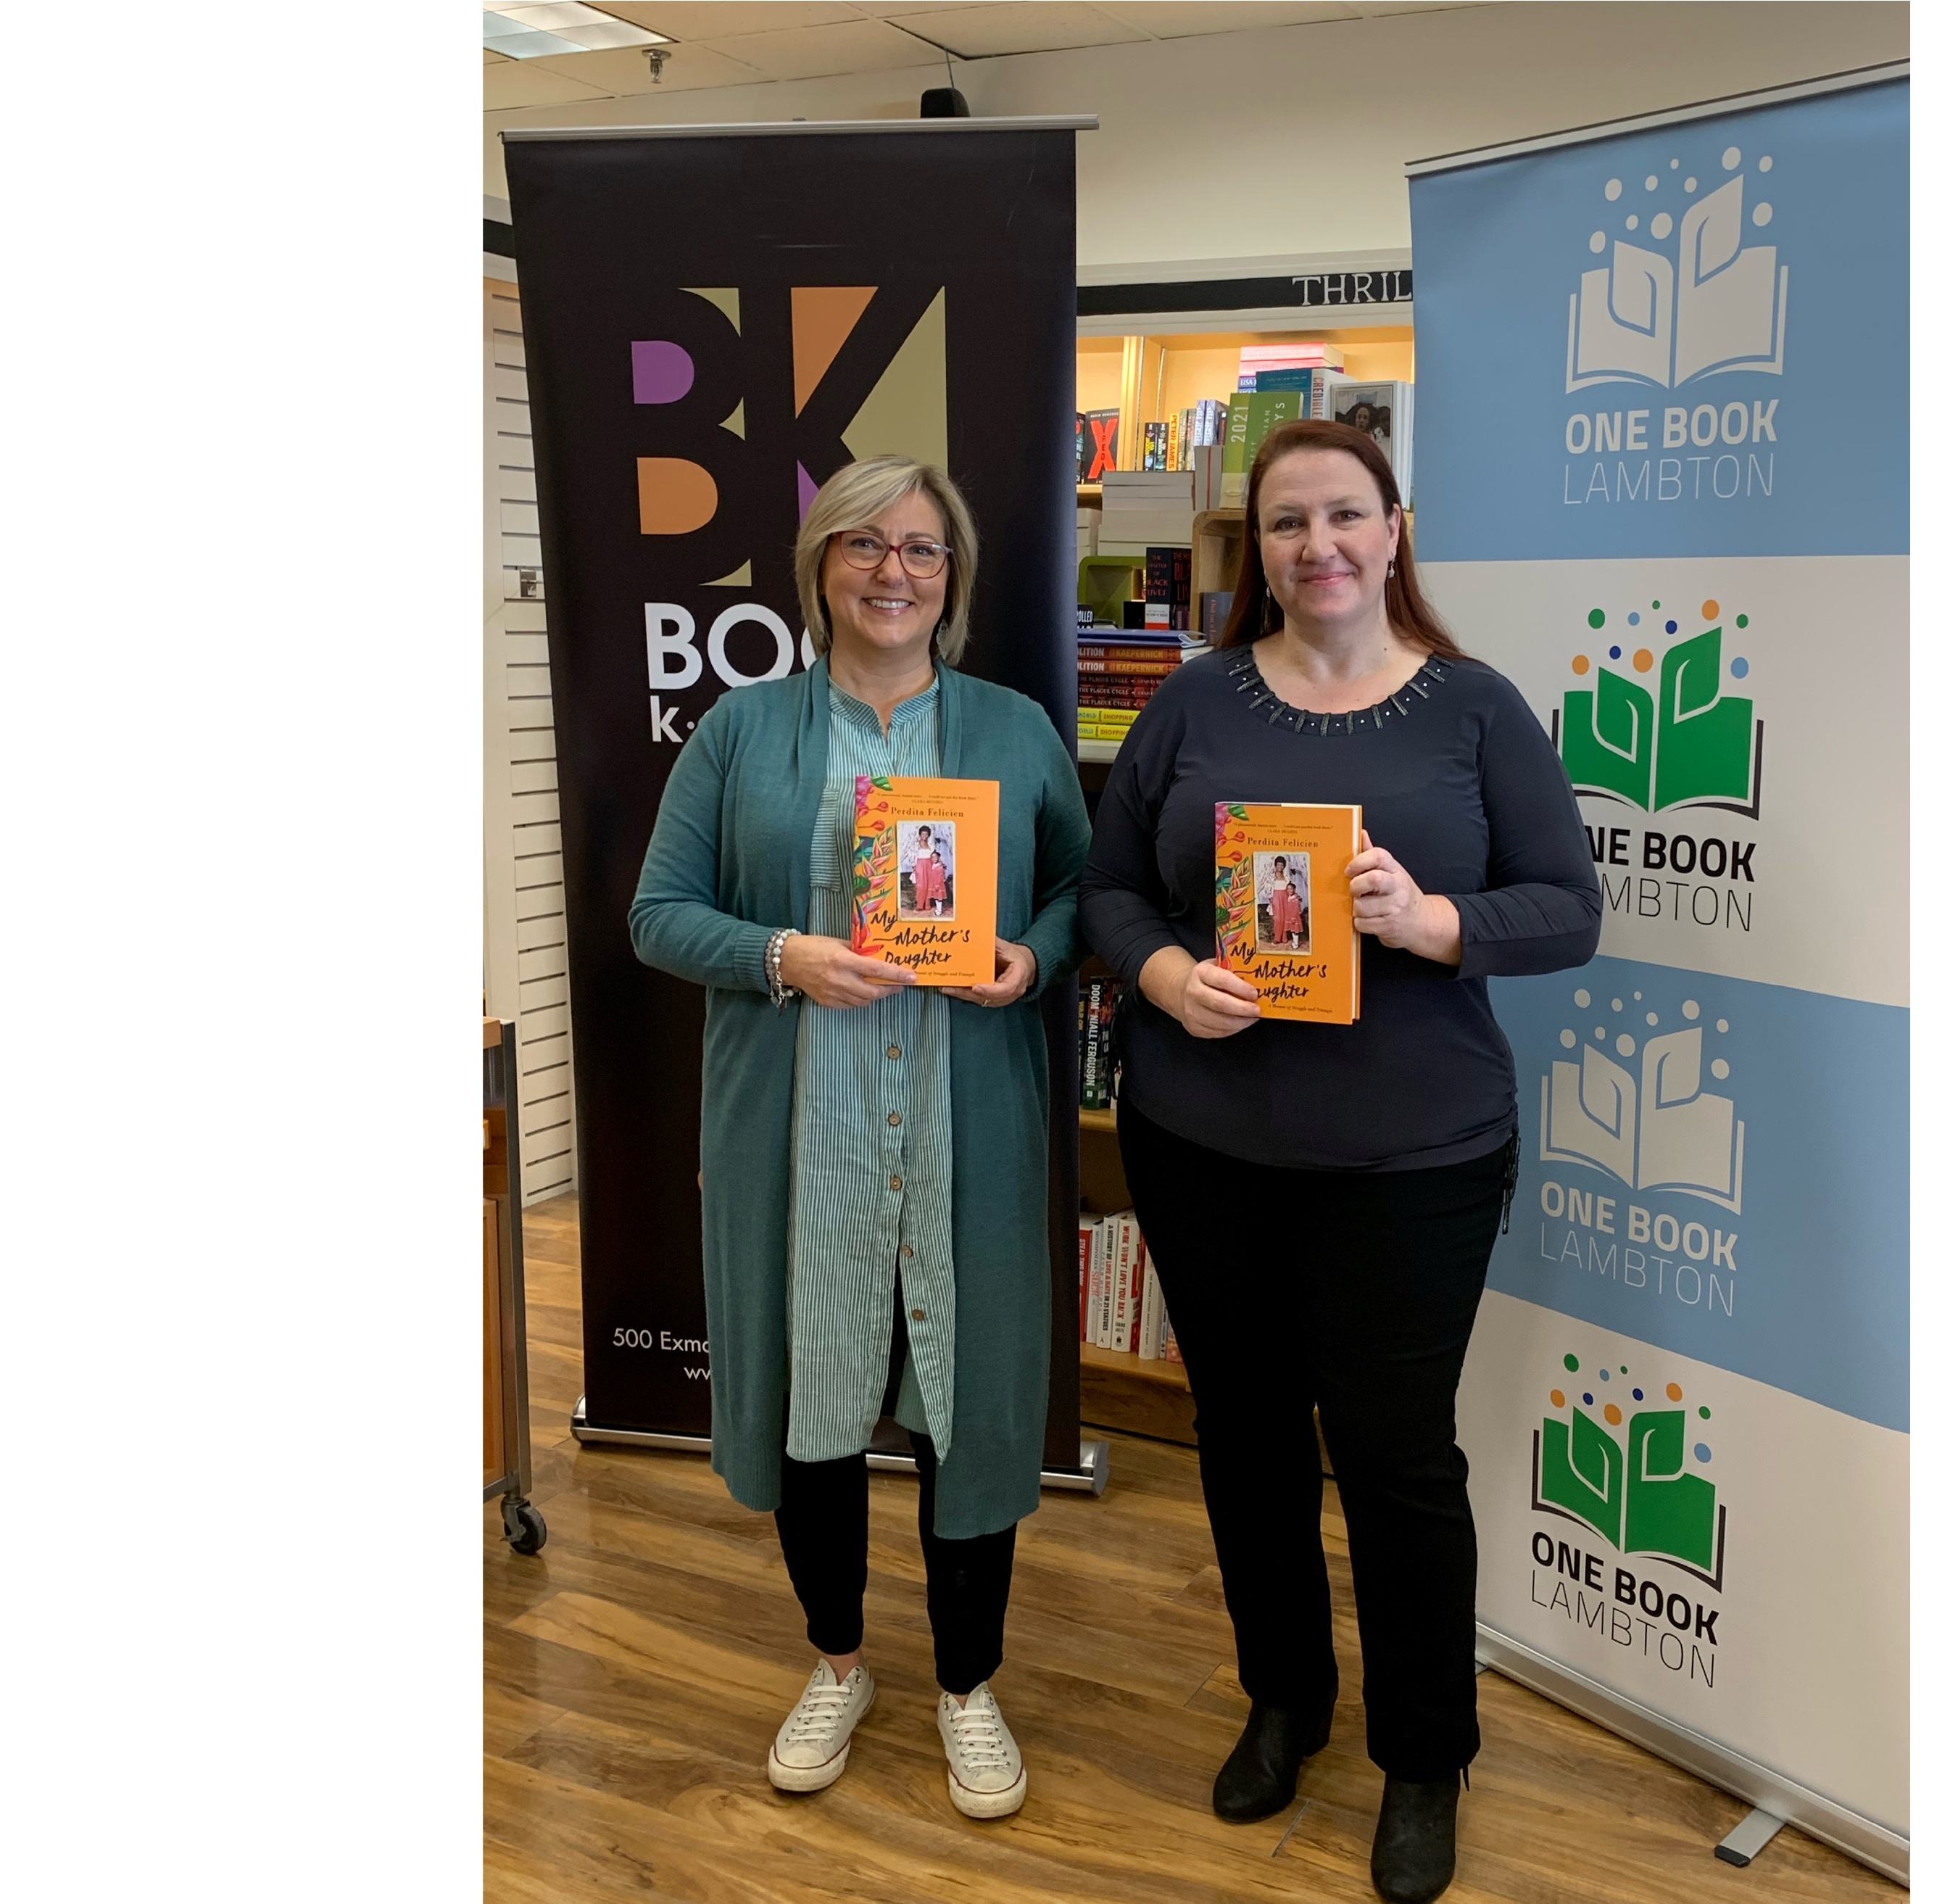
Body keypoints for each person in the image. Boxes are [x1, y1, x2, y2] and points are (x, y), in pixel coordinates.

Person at [1079, 419, 1600, 1904]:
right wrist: (1166, 977)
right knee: (1243, 1440)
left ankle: (1421, 1751)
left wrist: (1432, 919)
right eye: (1289, 522)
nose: (1318, 546)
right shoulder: (1191, 704)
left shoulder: (1475, 707)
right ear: (1257, 546)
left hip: (1413, 1159)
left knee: (1393, 1456)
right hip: (1203, 1147)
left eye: (1345, 516)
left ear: (1393, 529)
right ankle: (1285, 1697)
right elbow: (1113, 888)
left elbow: (1566, 907)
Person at [630, 454, 1090, 1822]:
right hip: (803, 1128)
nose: (895, 572)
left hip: (967, 1124)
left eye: (922, 550)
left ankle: (966, 1685)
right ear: (819, 565)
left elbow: (1074, 885)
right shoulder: (741, 731)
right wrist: (782, 953)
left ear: (952, 578)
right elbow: (659, 913)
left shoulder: (1008, 727)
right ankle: (838, 1662)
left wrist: (1027, 957)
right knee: (811, 1402)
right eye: (865, 547)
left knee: (973, 1409)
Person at [1266, 860, 1306, 951]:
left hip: (1286, 896)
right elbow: (1268, 888)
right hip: (1276, 897)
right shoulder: (1271, 877)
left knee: (1285, 918)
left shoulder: (1287, 876)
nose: (1280, 867)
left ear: (1284, 866)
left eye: (1282, 865)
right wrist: (1270, 897)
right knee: (1278, 919)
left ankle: (1284, 938)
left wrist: (1295, 895)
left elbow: (1290, 888)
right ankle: (1277, 938)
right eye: (1278, 865)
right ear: (1275, 866)